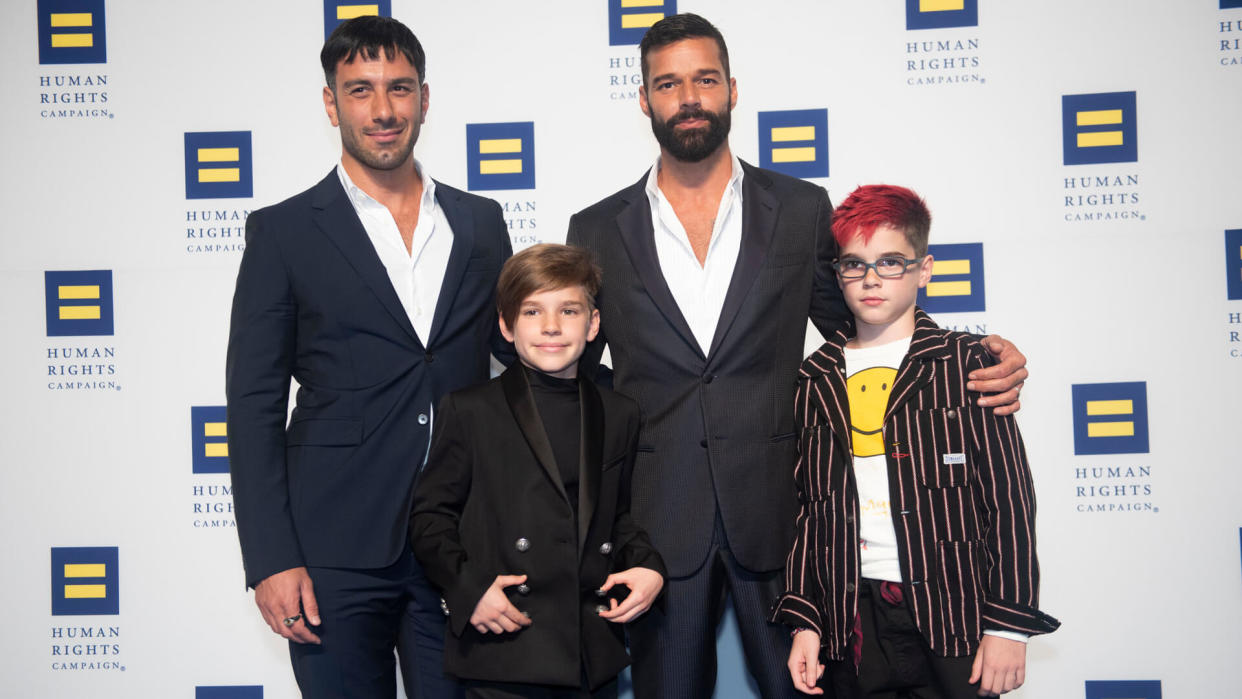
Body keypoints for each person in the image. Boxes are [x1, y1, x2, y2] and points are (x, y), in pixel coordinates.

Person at [566, 13, 1030, 699]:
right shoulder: (596, 227)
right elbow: (569, 366)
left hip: (784, 519)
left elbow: (865, 322)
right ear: (643, 99)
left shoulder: (800, 207)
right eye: (668, 84)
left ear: (732, 89)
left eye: (704, 79)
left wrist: (972, 355)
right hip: (658, 525)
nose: (688, 97)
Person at [224, 16, 512, 698]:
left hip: (460, 544)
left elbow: (517, 361)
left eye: (399, 89)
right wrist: (271, 558)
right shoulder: (284, 231)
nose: (383, 110)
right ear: (331, 103)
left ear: (425, 99)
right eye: (360, 91)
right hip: (331, 551)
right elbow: (253, 403)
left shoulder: (481, 222)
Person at [773, 185, 1059, 698]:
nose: (871, 279)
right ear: (837, 275)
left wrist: (1009, 625)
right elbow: (807, 513)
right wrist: (806, 619)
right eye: (854, 265)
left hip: (955, 613)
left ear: (924, 269)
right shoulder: (814, 378)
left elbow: (1010, 499)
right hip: (850, 615)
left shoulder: (966, 363)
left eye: (891, 262)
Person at [409, 243, 666, 699]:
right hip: (505, 647)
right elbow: (429, 517)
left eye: (568, 310)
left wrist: (648, 566)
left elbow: (618, 516)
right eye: (532, 311)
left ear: (593, 324)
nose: (551, 326)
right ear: (506, 326)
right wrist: (468, 589)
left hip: (590, 651)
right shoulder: (471, 409)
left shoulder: (618, 412)